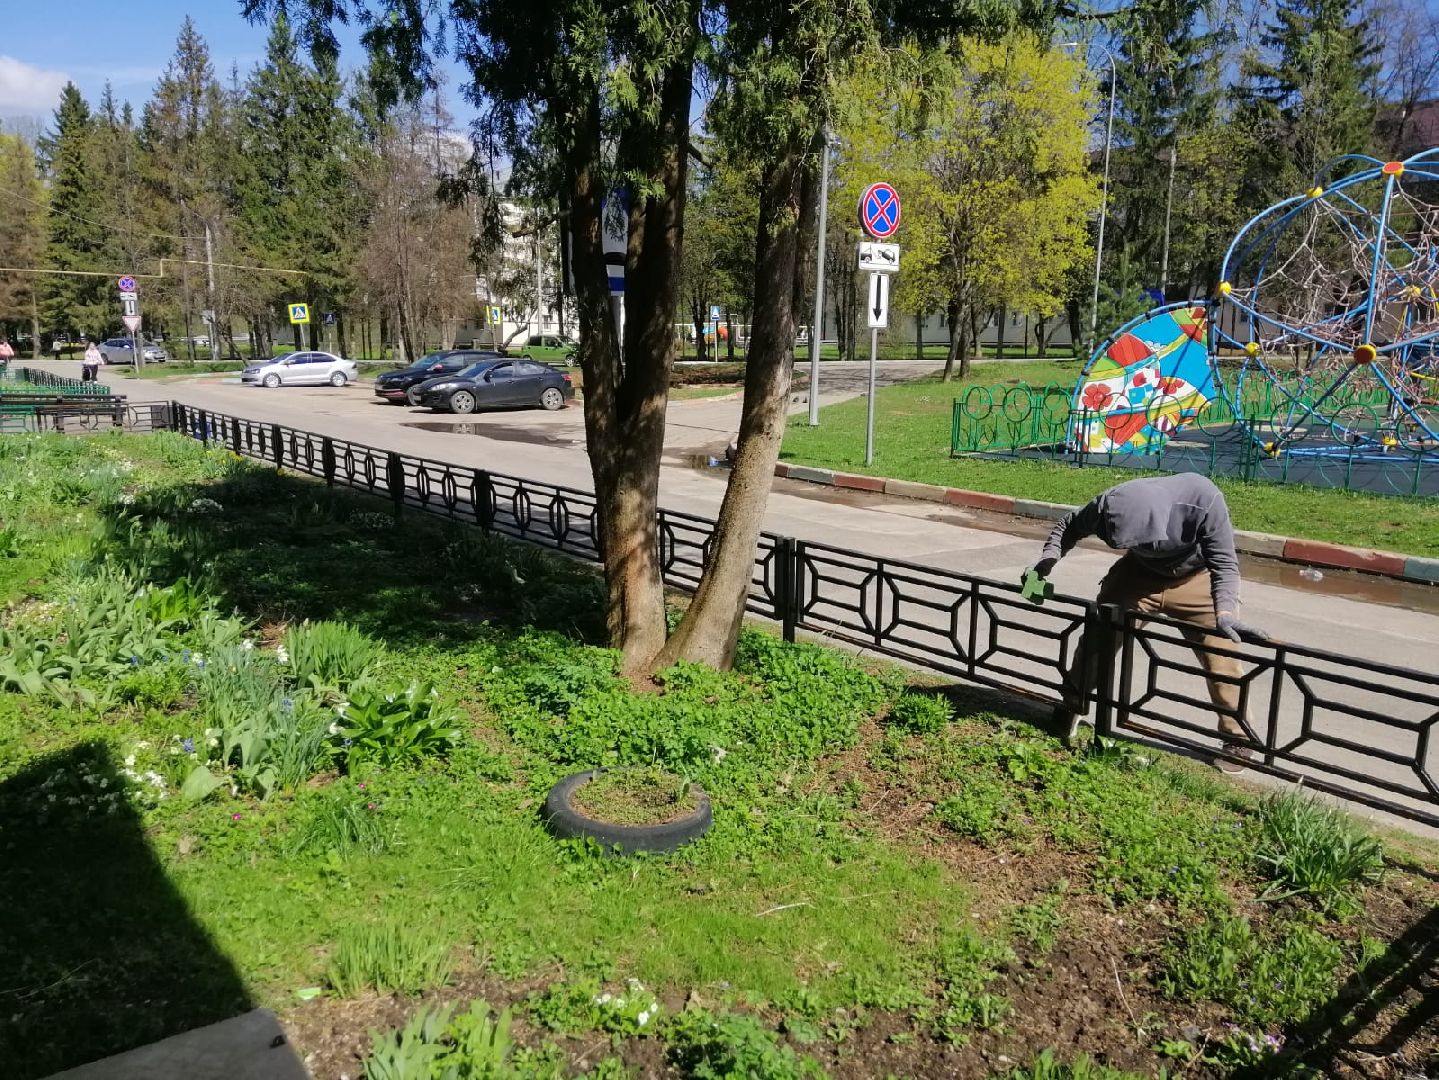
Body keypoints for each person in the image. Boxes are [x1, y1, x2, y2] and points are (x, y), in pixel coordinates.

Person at [1026, 473, 1268, 773]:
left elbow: (1225, 563)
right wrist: (1046, 561)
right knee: (1099, 639)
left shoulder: (1202, 499)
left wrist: (1226, 613)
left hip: (1196, 578)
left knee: (1223, 657)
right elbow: (1068, 526)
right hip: (1138, 574)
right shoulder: (1106, 504)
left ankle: (1238, 737)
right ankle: (1072, 704)